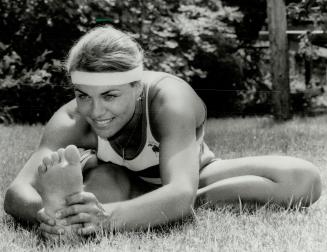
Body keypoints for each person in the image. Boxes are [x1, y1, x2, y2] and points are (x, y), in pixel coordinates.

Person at [4, 25, 322, 239]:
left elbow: (182, 188)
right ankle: (147, 208)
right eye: (83, 94)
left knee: (303, 178)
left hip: (194, 177)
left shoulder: (171, 101)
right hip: (118, 180)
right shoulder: (73, 118)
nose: (95, 111)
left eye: (110, 96)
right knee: (103, 192)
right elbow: (16, 192)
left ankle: (154, 208)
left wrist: (108, 218)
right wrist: (48, 215)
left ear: (137, 88)